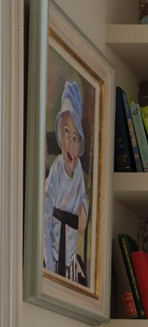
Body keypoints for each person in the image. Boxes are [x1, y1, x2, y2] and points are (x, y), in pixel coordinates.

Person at [41, 80, 89, 287]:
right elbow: (46, 213)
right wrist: (49, 267)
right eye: (66, 132)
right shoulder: (57, 170)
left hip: (69, 251)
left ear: (80, 145)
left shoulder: (78, 171)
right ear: (60, 134)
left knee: (71, 276)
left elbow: (82, 196)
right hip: (53, 250)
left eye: (75, 137)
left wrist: (83, 210)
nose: (70, 141)